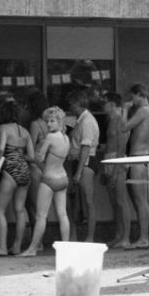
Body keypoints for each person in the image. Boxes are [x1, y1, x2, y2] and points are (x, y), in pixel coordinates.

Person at [20, 106, 71, 256]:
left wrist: (32, 153)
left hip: (49, 179)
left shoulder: (50, 137)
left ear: (60, 121)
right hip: (63, 178)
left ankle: (32, 248)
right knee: (63, 214)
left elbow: (38, 158)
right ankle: (66, 248)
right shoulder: (66, 138)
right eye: (47, 121)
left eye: (52, 121)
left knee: (41, 216)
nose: (48, 124)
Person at [0, 101, 35, 256]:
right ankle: (17, 246)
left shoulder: (3, 128)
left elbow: (1, 149)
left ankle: (1, 247)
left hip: (10, 169)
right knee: (20, 210)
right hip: (25, 170)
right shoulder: (26, 132)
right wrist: (19, 155)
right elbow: (32, 157)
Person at [119, 83, 149, 249]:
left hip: (138, 157)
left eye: (132, 97)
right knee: (144, 200)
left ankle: (144, 237)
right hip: (146, 157)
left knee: (141, 200)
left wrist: (125, 110)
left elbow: (123, 127)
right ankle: (147, 235)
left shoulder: (144, 111)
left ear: (140, 95)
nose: (131, 100)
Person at [66, 90, 100, 242]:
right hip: (79, 161)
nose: (70, 108)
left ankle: (90, 237)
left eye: (72, 104)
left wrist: (78, 172)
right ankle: (78, 236)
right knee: (77, 200)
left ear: (77, 104)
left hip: (85, 163)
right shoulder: (81, 120)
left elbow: (86, 147)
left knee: (88, 199)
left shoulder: (86, 121)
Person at [102, 92, 132, 248]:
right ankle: (119, 234)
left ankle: (126, 237)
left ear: (112, 104)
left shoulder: (120, 119)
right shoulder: (111, 119)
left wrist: (115, 170)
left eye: (105, 103)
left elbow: (121, 146)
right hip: (109, 159)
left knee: (121, 200)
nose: (103, 106)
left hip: (117, 160)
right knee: (114, 202)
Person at [26, 91, 49, 249]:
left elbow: (31, 151)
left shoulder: (36, 124)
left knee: (33, 206)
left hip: (36, 167)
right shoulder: (54, 124)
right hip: (51, 166)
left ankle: (37, 242)